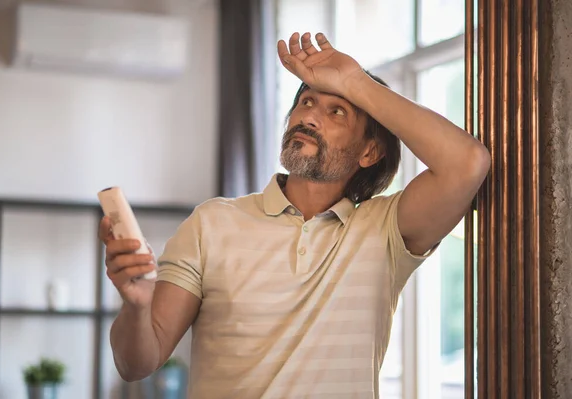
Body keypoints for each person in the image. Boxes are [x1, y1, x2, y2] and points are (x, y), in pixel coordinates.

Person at [99, 32, 490, 398]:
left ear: (369, 153)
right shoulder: (211, 223)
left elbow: (467, 163)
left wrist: (356, 83)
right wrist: (136, 305)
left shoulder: (386, 230)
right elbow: (136, 363)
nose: (310, 117)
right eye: (306, 102)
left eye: (337, 111)